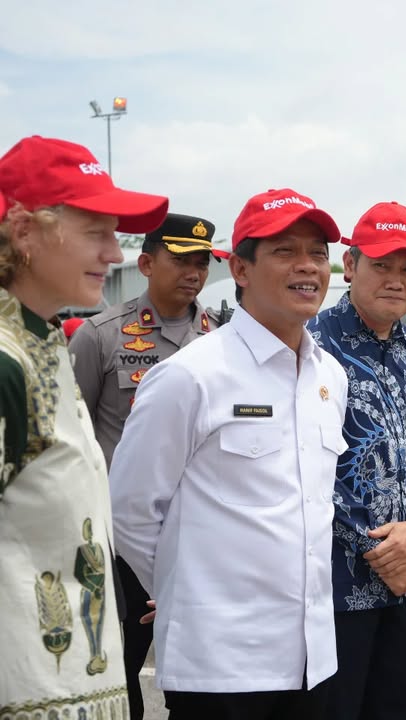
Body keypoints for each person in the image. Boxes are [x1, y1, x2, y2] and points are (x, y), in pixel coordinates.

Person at [109, 188, 348, 719]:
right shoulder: (191, 376)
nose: (307, 267)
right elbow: (128, 509)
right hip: (220, 664)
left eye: (318, 252)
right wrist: (182, 585)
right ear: (240, 268)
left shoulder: (329, 375)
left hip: (314, 659)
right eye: (285, 251)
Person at [0, 135, 168, 718]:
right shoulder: (6, 363)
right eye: (96, 232)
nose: (115, 254)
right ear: (26, 233)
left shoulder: (42, 343)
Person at [308, 201, 406, 720]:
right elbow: (305, 468)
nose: (396, 280)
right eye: (382, 265)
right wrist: (382, 553)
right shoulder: (310, 346)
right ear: (350, 266)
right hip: (335, 586)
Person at [68, 211, 220, 718]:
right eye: (182, 260)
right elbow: (73, 438)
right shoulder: (100, 336)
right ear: (148, 262)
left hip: (204, 536)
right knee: (120, 665)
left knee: (207, 670)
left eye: (202, 261)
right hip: (126, 540)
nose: (194, 271)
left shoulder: (223, 337)